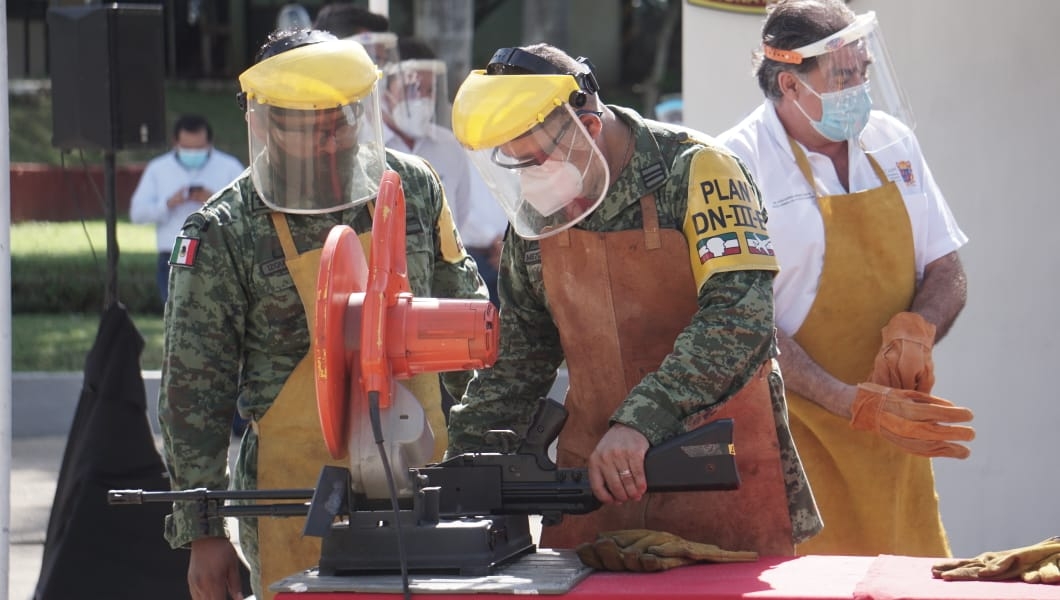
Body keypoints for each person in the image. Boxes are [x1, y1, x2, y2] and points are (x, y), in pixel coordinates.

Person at [447, 43, 822, 557]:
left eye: (538, 158)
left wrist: (640, 422)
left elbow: (741, 318)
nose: (532, 175)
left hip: (716, 469)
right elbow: (518, 356)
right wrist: (460, 463)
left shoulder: (699, 169)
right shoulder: (539, 210)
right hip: (594, 483)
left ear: (589, 128)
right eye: (516, 163)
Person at [158, 30, 487, 600]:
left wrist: (482, 457)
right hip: (295, 491)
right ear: (266, 123)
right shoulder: (225, 229)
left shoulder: (411, 186)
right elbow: (195, 393)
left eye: (343, 120)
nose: (333, 139)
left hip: (424, 467)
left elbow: (462, 325)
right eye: (313, 127)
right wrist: (203, 532)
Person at [716, 0, 975, 557]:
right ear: (789, 83)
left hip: (893, 433)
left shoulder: (892, 141)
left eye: (863, 72)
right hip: (790, 440)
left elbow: (946, 268)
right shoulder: (733, 164)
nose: (860, 87)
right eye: (843, 77)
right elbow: (740, 319)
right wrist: (846, 400)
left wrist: (919, 328)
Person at [383, 36, 507, 306]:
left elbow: (456, 219)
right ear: (385, 89)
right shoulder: (368, 148)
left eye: (429, 90)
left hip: (443, 278)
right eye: (413, 88)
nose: (423, 98)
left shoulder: (450, 147)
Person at [128, 114, 244, 303]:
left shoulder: (229, 167)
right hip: (175, 248)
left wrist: (214, 201)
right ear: (175, 142)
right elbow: (137, 213)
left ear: (209, 143)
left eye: (198, 148)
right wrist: (167, 204)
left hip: (216, 251)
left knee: (215, 316)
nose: (192, 153)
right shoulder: (158, 168)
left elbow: (245, 211)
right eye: (187, 148)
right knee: (177, 314)